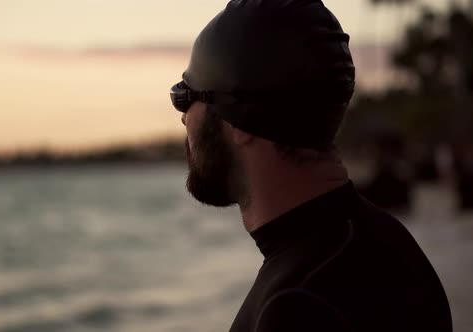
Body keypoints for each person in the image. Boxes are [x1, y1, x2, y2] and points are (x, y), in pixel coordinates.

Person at [169, 0, 452, 331]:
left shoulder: (298, 307)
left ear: (239, 119)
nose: (184, 118)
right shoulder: (389, 244)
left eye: (185, 96)